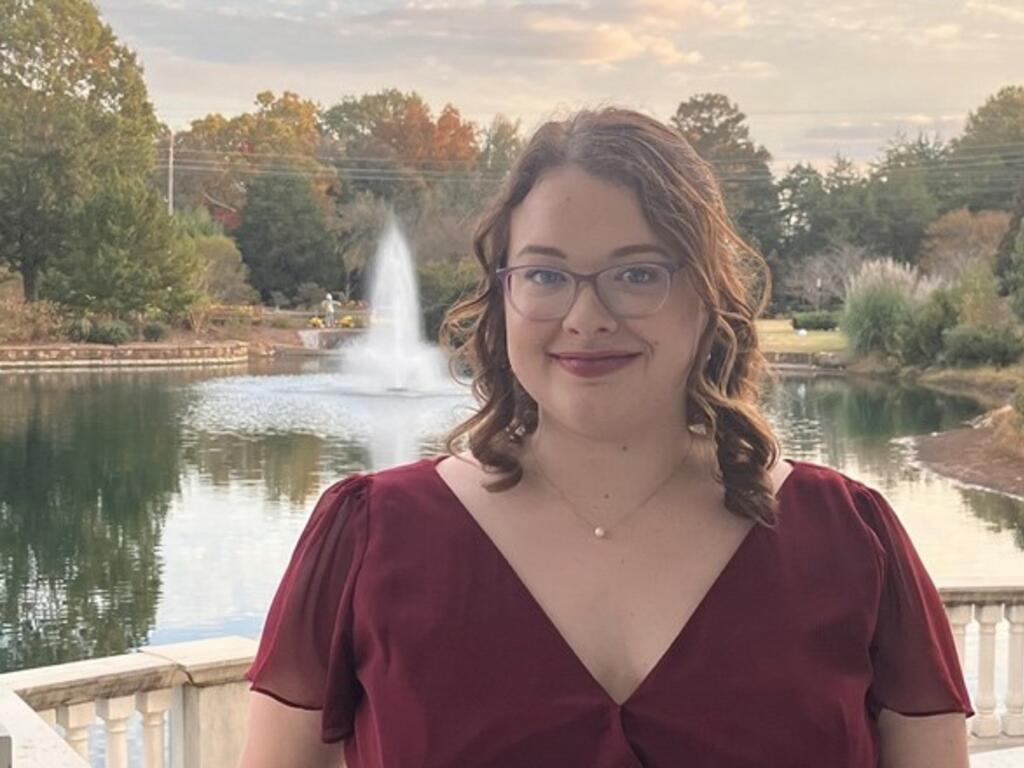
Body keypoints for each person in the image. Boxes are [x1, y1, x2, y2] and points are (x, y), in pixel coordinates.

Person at [239, 108, 974, 768]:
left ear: (707, 294)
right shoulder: (369, 539)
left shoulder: (848, 540)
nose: (586, 316)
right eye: (547, 275)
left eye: (636, 272)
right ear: (503, 296)